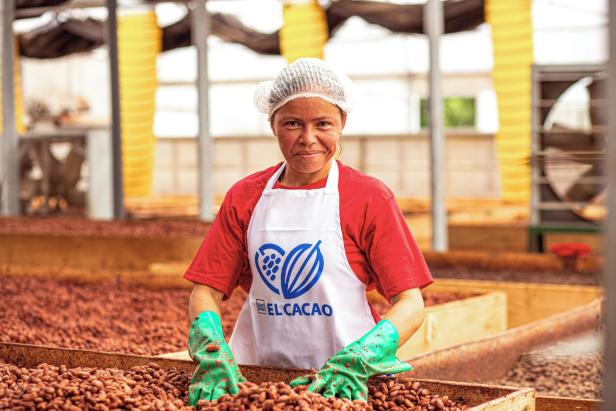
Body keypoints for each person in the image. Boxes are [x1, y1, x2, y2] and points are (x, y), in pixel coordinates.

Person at [183, 58, 433, 405]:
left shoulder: (369, 197)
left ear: (342, 123)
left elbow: (411, 303)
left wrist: (359, 360)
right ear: (272, 124)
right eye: (292, 123)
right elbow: (205, 290)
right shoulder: (245, 196)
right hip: (255, 381)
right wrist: (210, 350)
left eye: (323, 124)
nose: (308, 139)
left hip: (348, 385)